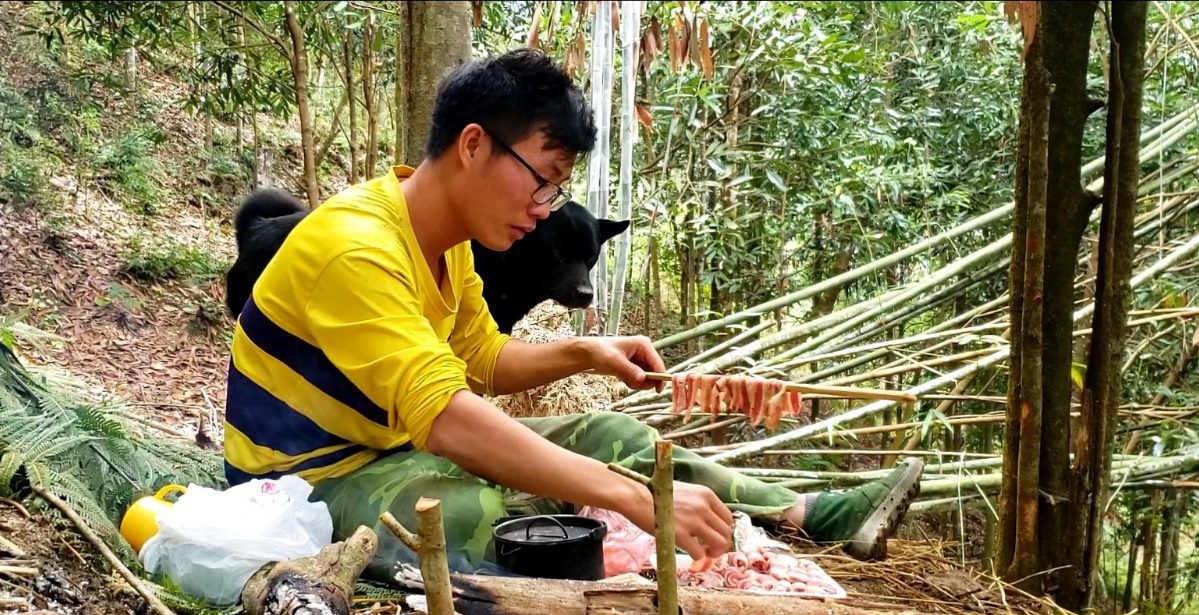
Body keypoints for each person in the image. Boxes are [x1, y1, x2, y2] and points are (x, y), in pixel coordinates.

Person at [222, 48, 924, 583]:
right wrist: (631, 498)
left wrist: (587, 354)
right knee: (522, 519)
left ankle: (811, 513)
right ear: (472, 145)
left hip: (393, 450)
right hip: (306, 484)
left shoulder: (445, 244)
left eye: (555, 189)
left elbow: (482, 362)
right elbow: (447, 415)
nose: (543, 205)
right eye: (542, 179)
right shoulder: (356, 248)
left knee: (609, 432)